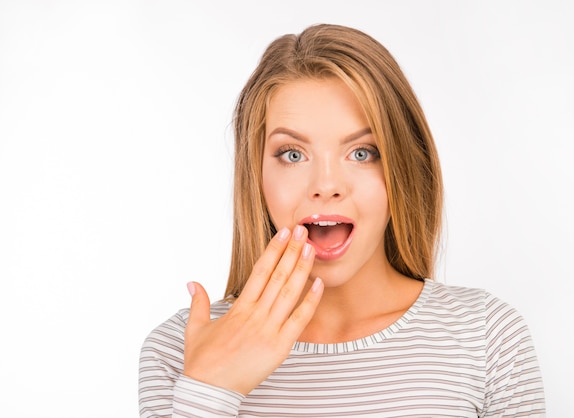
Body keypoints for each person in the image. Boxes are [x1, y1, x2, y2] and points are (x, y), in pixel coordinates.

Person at [138, 24, 546, 417]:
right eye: (293, 154)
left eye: (362, 152)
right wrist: (209, 388)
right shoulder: (180, 349)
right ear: (255, 174)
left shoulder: (486, 336)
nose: (327, 185)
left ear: (403, 167)